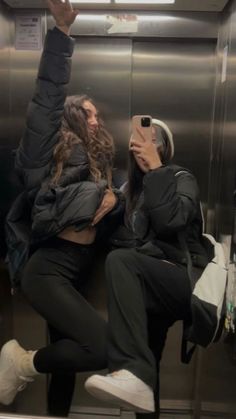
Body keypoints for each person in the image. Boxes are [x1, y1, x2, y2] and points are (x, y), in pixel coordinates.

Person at [0, 0, 124, 415]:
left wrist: (114, 200)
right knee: (102, 346)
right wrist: (61, 36)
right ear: (71, 116)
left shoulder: (95, 164)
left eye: (97, 116)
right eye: (88, 115)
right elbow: (45, 100)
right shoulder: (48, 149)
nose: (96, 121)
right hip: (49, 268)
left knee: (67, 355)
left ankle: (56, 414)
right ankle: (21, 361)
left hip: (79, 266)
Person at [85, 119, 209, 418]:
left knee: (121, 261)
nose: (144, 147)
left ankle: (131, 368)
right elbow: (118, 238)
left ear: (164, 148)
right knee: (146, 369)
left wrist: (156, 169)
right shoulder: (131, 191)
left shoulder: (181, 177)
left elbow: (171, 222)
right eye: (138, 140)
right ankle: (137, 380)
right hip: (150, 290)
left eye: (153, 141)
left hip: (184, 280)